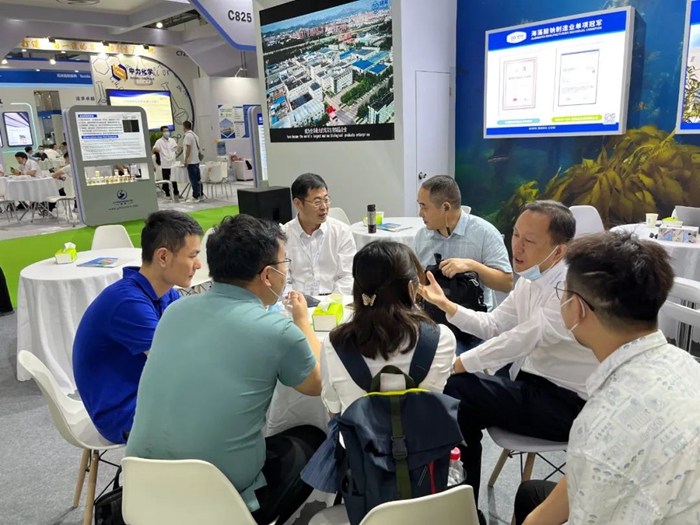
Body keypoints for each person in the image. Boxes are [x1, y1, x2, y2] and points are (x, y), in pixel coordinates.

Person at [126, 214, 326, 525]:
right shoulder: (276, 330)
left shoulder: (175, 310)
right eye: (284, 262)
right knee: (313, 437)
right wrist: (302, 322)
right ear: (268, 274)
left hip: (141, 487)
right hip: (219, 499)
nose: (287, 270)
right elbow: (316, 384)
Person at [418, 200, 599, 504]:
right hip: (532, 378)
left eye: (530, 240)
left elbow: (520, 340)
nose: (517, 246)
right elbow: (494, 325)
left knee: (456, 389)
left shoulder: (568, 288)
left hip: (569, 403)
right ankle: (461, 502)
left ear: (559, 251)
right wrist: (447, 305)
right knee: (458, 403)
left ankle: (460, 502)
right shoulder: (531, 277)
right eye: (515, 234)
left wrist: (458, 363)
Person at [514, 231, 700, 525]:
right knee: (532, 495)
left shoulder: (599, 427)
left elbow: (596, 470)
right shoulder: (684, 362)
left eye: (563, 289)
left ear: (577, 308)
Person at [73, 211, 203, 443]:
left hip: (145, 393)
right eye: (192, 256)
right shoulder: (128, 303)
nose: (199, 264)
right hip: (122, 414)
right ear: (163, 257)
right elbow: (178, 365)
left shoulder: (165, 294)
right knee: (221, 407)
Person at [321, 241, 455, 415]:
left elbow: (333, 409)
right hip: (427, 431)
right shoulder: (441, 338)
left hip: (358, 433)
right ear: (411, 288)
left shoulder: (334, 344)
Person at [414, 176, 512, 312]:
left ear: (446, 207)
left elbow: (506, 283)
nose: (420, 214)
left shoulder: (485, 233)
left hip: (474, 316)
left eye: (424, 207)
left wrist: (473, 266)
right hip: (433, 316)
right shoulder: (422, 237)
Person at [284, 173, 356, 296]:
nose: (324, 207)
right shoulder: (284, 235)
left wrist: (331, 302)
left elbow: (348, 276)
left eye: (326, 200)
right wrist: (295, 300)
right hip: (298, 300)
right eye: (317, 202)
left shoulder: (341, 231)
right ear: (298, 203)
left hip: (335, 299)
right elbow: (283, 280)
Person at [153, 125, 181, 198]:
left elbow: (176, 148)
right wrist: (155, 149)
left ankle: (176, 192)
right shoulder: (159, 141)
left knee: (174, 179)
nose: (167, 132)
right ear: (162, 132)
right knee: (166, 180)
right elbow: (154, 149)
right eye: (165, 131)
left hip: (173, 163)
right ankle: (167, 194)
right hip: (165, 163)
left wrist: (178, 148)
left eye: (168, 131)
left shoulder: (172, 140)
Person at [182, 120, 202, 203]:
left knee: (193, 180)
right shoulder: (195, 135)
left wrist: (186, 160)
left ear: (184, 127)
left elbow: (188, 148)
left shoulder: (188, 136)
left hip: (191, 161)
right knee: (198, 179)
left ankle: (195, 196)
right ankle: (200, 194)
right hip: (196, 160)